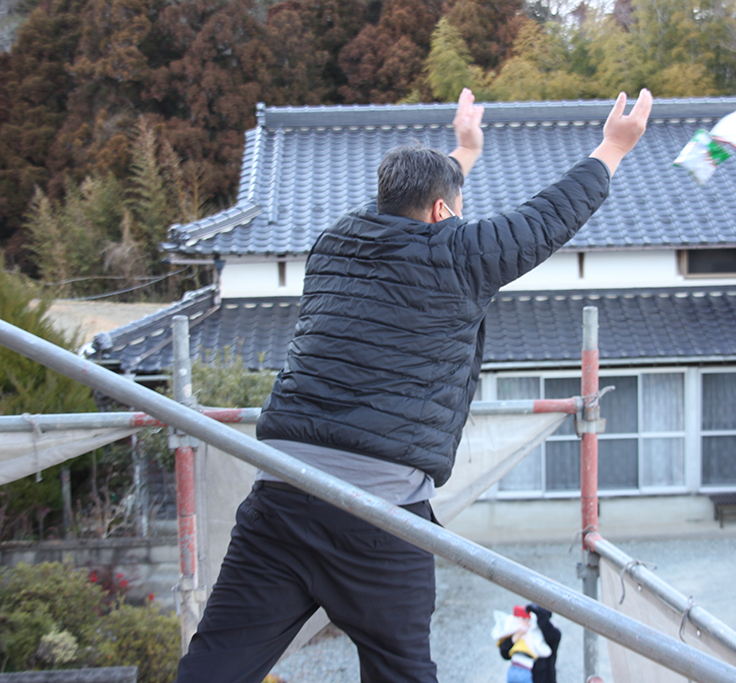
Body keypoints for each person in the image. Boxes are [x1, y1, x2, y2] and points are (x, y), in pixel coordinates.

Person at [174, 86, 653, 683]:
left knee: (215, 664)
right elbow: (545, 217)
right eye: (455, 206)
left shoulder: (333, 245)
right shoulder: (463, 255)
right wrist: (613, 145)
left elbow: (413, 215)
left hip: (280, 496)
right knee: (401, 674)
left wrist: (462, 152)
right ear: (442, 213)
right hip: (379, 516)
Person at [497, 604, 561, 683]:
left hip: (543, 678)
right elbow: (504, 653)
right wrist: (518, 634)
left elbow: (551, 636)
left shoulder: (552, 633)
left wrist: (540, 616)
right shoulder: (523, 630)